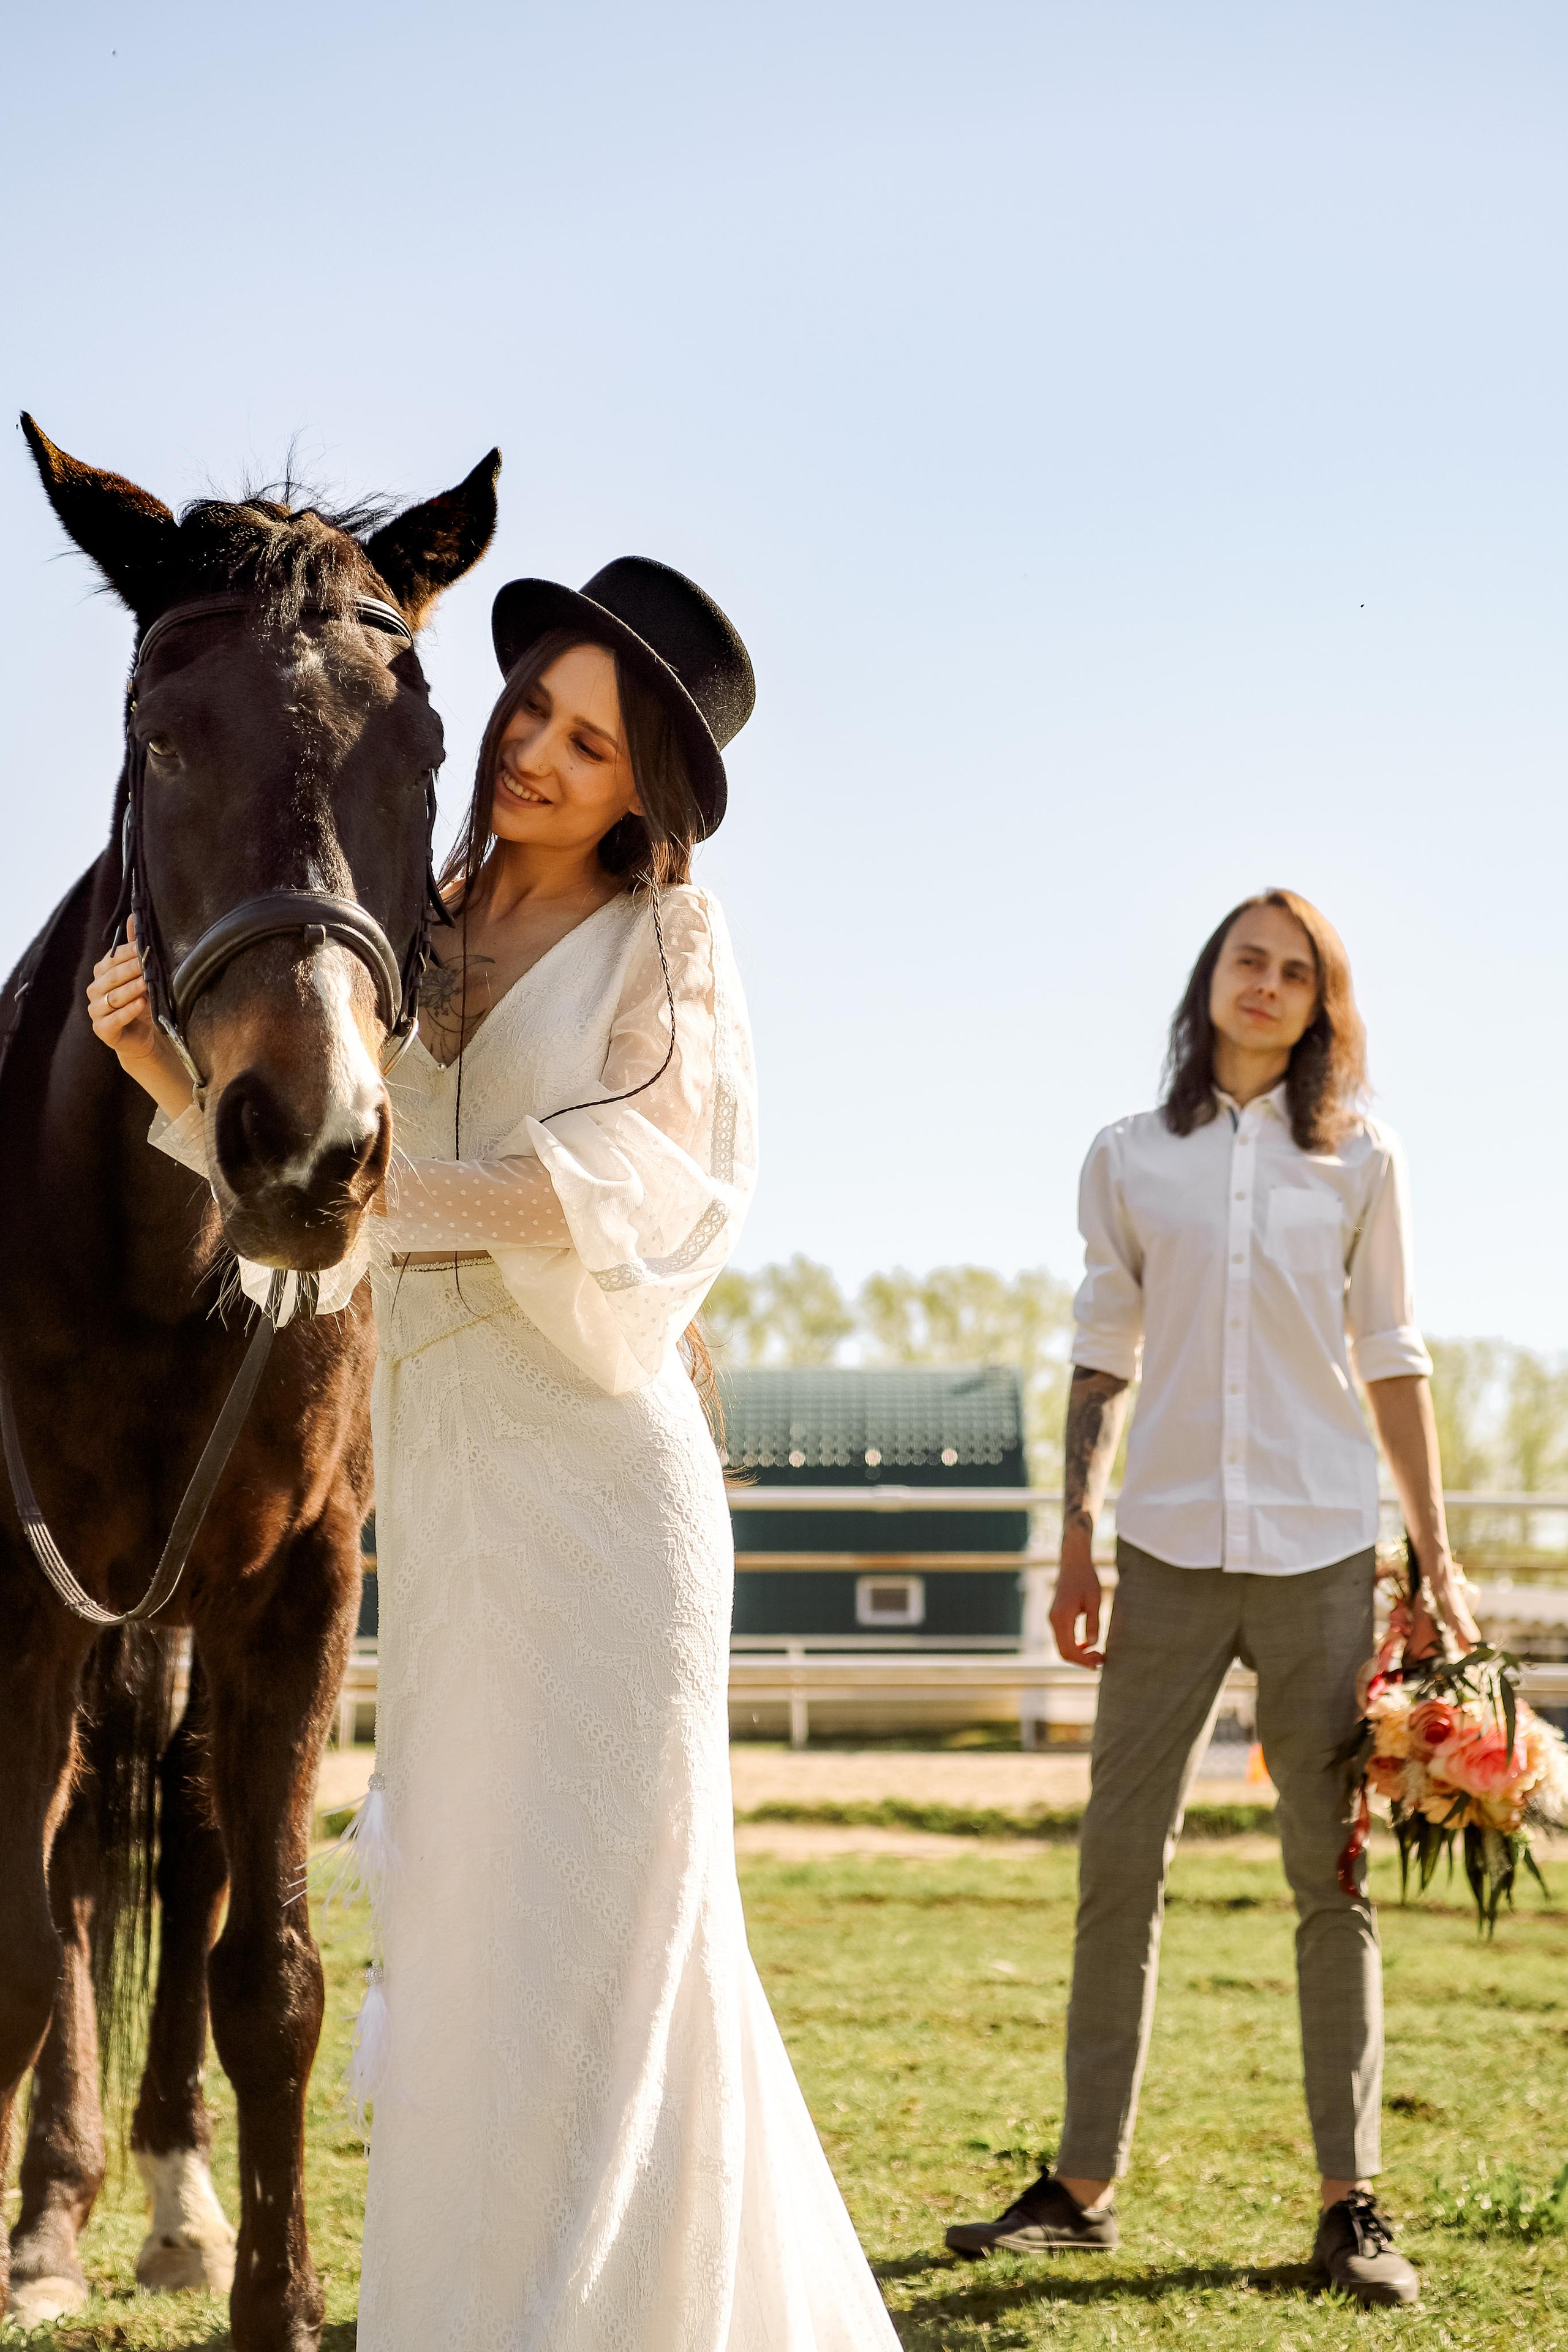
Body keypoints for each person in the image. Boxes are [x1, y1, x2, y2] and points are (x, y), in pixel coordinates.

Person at [88, 559, 901, 2350]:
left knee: (605, 1950)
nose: (537, 751)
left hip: (604, 1500)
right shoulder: (423, 924)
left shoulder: (670, 947)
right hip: (448, 1506)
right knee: (468, 1949)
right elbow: (300, 1185)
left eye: (590, 741)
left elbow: (624, 1191)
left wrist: (373, 1206)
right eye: (531, 707)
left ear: (646, 792)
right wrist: (164, 1077)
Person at [944, 889, 1479, 2309]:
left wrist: (1433, 1557)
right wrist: (1073, 1533)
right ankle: (1078, 2185)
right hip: (1166, 1550)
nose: (1267, 983)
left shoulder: (1359, 1159)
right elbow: (1098, 1346)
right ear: (1208, 982)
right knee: (1118, 1865)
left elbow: (1393, 1355)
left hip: (1319, 1553)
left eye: (1295, 971)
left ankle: (1348, 2206)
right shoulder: (1128, 1158)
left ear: (1321, 1004)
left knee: (1333, 1880)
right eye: (1248, 958)